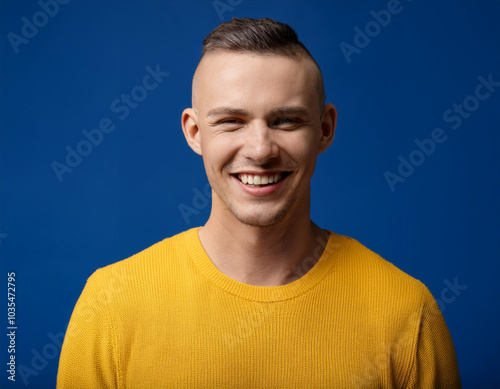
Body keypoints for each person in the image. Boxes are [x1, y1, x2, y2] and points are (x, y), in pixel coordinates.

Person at [57, 17, 461, 388]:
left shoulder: (408, 313)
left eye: (285, 121)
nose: (260, 149)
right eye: (231, 121)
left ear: (324, 129)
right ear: (195, 132)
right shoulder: (110, 304)